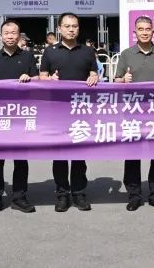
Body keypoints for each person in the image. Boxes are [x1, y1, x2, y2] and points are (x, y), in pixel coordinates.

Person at [40, 12, 100, 212]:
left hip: (81, 110)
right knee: (59, 155)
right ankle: (62, 194)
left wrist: (94, 77)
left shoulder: (88, 51)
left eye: (74, 26)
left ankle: (79, 193)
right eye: (67, 26)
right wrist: (50, 80)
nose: (71, 29)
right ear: (59, 28)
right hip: (57, 110)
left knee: (79, 155)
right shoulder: (50, 52)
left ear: (78, 29)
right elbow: (42, 76)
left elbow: (94, 73)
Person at [114, 16, 154, 211]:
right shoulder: (126, 54)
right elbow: (116, 81)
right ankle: (134, 196)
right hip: (133, 113)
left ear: (153, 31)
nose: (145, 32)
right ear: (135, 32)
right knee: (132, 155)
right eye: (141, 29)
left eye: (148, 29)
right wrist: (123, 80)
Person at [0, 19, 39, 215]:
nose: (10, 36)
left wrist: (29, 79)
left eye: (14, 33)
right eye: (6, 33)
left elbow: (38, 80)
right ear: (1, 36)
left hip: (21, 116)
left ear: (19, 35)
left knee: (21, 159)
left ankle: (19, 197)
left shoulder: (28, 56)